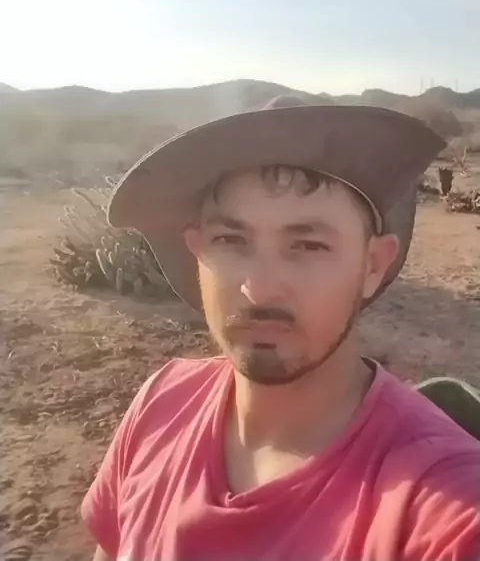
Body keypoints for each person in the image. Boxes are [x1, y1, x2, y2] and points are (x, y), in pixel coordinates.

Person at [81, 97, 480, 561]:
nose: (259, 289)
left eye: (307, 245)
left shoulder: (444, 502)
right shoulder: (161, 403)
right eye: (230, 240)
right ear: (197, 254)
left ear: (373, 265)